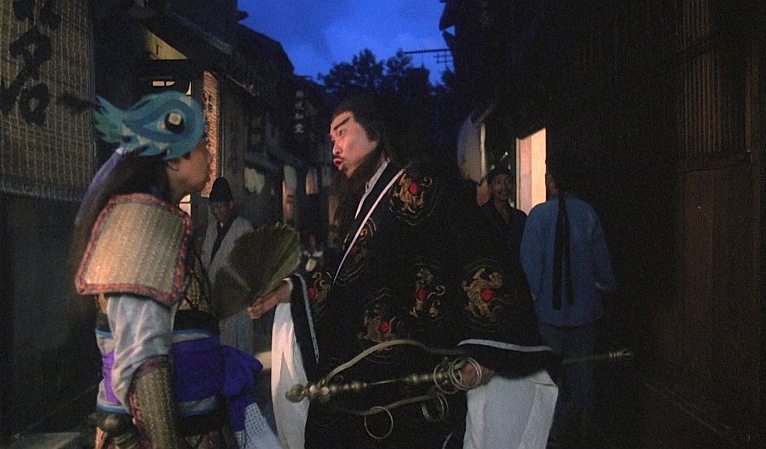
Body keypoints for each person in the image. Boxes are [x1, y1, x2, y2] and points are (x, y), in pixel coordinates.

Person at [248, 93, 559, 449]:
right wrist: (294, 289)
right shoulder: (367, 200)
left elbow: (473, 246)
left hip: (413, 373)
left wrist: (488, 351)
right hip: (369, 375)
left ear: (374, 132)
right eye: (331, 138)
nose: (335, 147)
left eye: (342, 132)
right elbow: (348, 273)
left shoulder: (415, 185)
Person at [73, 91, 279, 449]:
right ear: (173, 160)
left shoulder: (160, 221)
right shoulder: (140, 225)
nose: (210, 156)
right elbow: (144, 360)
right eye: (202, 146)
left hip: (199, 424)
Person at [519, 152, 616, 445]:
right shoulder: (587, 214)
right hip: (585, 312)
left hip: (548, 313)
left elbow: (529, 266)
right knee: (583, 372)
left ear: (551, 181)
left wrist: (537, 297)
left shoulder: (538, 216)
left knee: (549, 377)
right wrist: (603, 285)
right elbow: (602, 266)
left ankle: (550, 434)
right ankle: (583, 432)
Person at [202, 176, 256, 354]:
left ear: (230, 205)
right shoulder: (212, 228)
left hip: (236, 299)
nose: (216, 210)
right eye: (213, 207)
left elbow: (250, 264)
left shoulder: (243, 227)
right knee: (221, 346)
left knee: (239, 347)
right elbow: (205, 258)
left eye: (220, 206)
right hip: (215, 299)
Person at [481, 166, 527, 261]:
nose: (504, 187)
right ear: (490, 187)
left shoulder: (520, 217)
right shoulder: (481, 215)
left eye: (508, 181)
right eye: (498, 182)